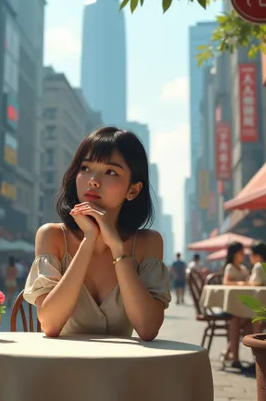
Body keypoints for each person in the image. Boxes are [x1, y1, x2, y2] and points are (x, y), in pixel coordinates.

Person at [23, 127, 171, 340]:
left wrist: (118, 249)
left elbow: (148, 329)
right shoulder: (52, 236)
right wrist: (89, 240)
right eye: (85, 168)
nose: (93, 180)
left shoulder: (148, 242)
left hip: (124, 371)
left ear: (133, 190)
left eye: (111, 172)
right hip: (61, 369)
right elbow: (50, 324)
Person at [222, 242, 252, 371]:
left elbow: (250, 282)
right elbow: (226, 282)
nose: (243, 255)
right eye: (241, 252)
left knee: (246, 320)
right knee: (236, 320)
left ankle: (229, 352)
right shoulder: (230, 267)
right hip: (229, 307)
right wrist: (241, 283)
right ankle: (235, 358)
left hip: (243, 308)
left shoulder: (243, 268)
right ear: (235, 253)